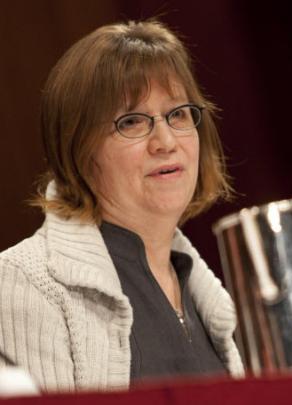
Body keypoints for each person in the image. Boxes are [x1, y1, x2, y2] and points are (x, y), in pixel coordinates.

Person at [0, 20, 244, 391]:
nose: (165, 141)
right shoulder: (24, 282)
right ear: (80, 149)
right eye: (132, 122)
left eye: (177, 114)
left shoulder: (204, 291)